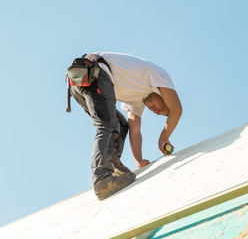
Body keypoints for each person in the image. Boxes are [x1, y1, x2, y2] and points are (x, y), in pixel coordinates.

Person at [67, 52, 182, 200]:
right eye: (161, 108)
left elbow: (135, 131)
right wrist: (164, 137)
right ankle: (102, 179)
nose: (155, 111)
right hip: (92, 72)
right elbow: (176, 110)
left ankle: (115, 170)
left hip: (79, 81)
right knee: (107, 124)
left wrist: (139, 161)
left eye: (157, 113)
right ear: (164, 95)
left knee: (120, 124)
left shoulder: (136, 102)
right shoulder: (158, 74)